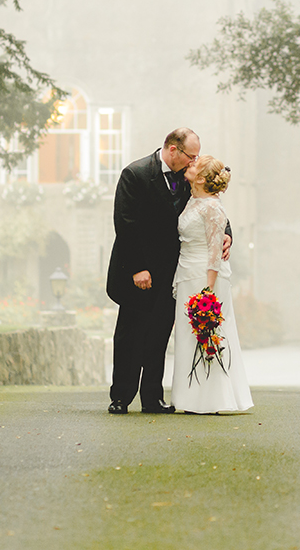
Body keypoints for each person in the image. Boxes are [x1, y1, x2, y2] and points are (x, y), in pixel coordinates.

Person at [106, 128, 230, 414]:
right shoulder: (134, 174)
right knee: (130, 335)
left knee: (159, 336)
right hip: (137, 273)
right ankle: (121, 396)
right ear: (173, 150)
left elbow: (212, 205)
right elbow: (125, 224)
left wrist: (228, 234)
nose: (194, 161)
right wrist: (138, 268)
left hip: (174, 273)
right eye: (191, 155)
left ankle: (152, 398)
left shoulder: (190, 177)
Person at [170, 156, 252, 414]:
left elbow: (215, 253)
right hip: (186, 271)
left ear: (203, 178)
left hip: (206, 277)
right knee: (187, 336)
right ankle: (189, 399)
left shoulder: (213, 208)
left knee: (209, 332)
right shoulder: (193, 199)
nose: (189, 166)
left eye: (194, 165)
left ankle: (213, 400)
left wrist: (208, 290)